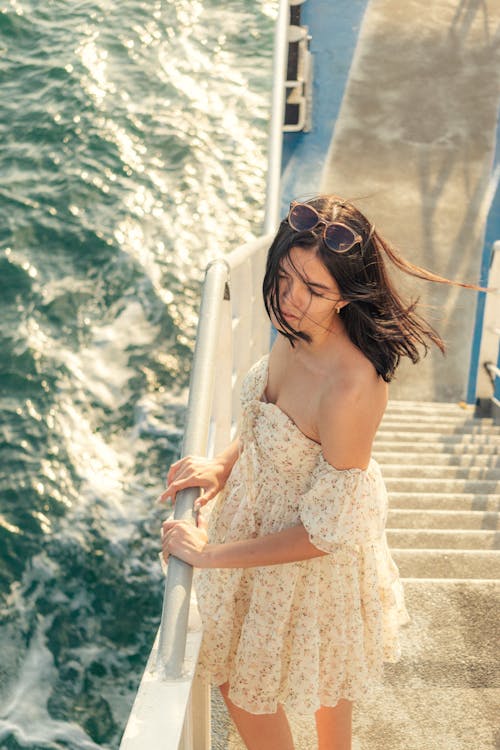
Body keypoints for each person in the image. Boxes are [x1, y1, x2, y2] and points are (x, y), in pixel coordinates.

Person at [158, 195, 482, 750]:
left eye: (314, 291)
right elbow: (268, 423)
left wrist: (209, 555)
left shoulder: (351, 387)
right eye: (284, 280)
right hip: (259, 529)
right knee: (320, 681)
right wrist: (221, 466)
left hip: (308, 556)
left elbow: (324, 532)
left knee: (250, 685)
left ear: (345, 297)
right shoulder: (294, 330)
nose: (290, 301)